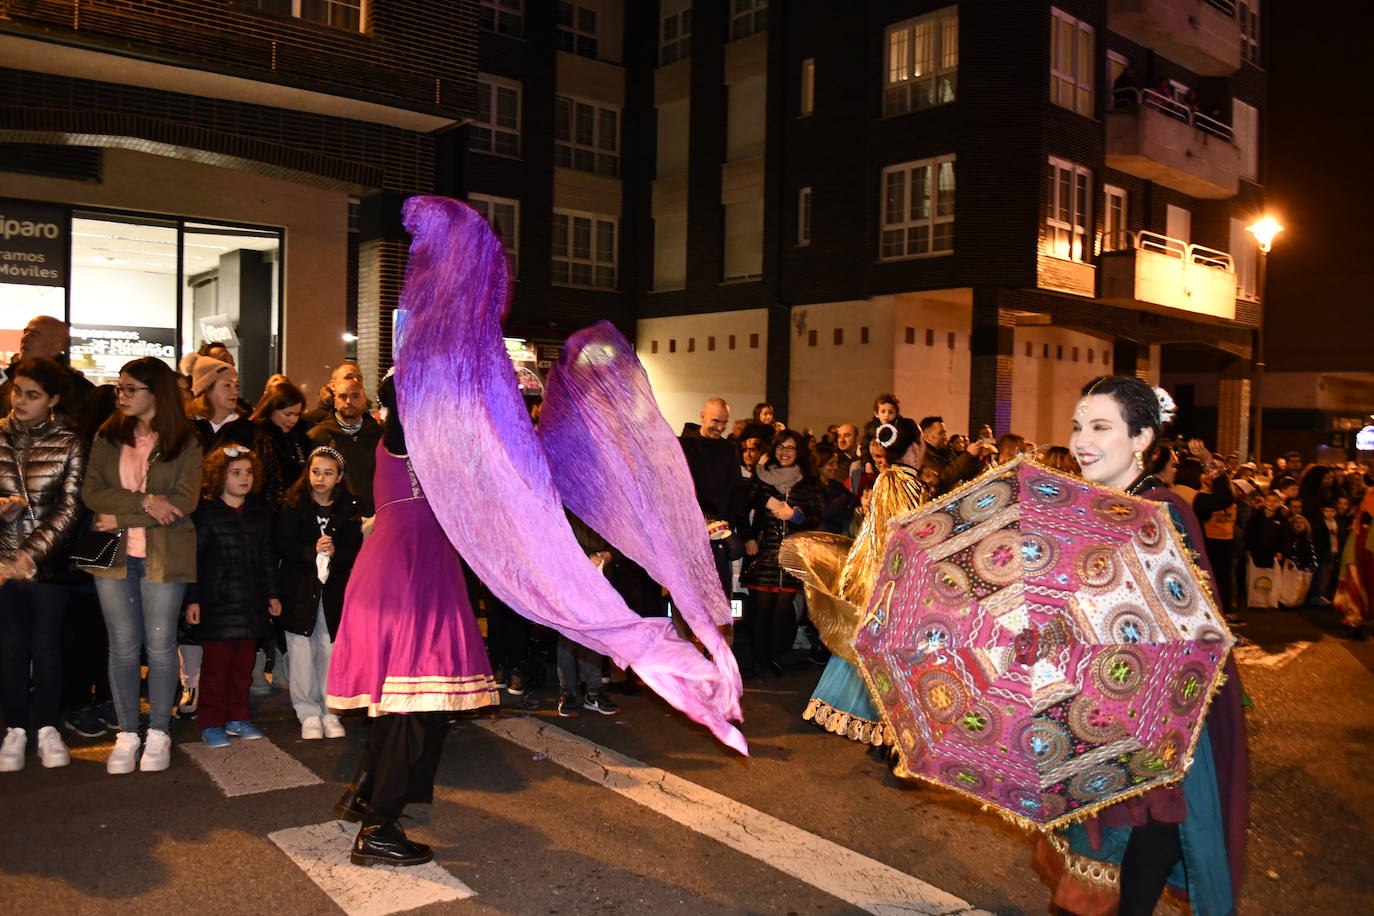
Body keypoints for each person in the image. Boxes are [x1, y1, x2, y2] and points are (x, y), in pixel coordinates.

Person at [1040, 376, 1247, 916]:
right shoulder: (1100, 506)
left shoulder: (1161, 511)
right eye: (1078, 426)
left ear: (1141, 438)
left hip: (1149, 745)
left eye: (1101, 427)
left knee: (1121, 888)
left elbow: (1182, 641)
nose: (1083, 440)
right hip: (1100, 728)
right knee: (1098, 888)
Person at [327, 374, 499, 867]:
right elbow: (406, 403)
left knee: (405, 704)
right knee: (418, 709)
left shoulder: (421, 445)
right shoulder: (401, 439)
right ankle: (379, 827)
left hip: (410, 574)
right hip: (408, 581)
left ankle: (365, 793)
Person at [82, 357, 201, 775]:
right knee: (123, 645)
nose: (122, 395)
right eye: (120, 388)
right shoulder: (108, 434)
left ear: (157, 393)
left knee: (161, 644)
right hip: (113, 555)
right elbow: (93, 493)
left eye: (131, 388)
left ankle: (159, 731)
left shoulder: (184, 439)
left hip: (164, 554)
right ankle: (128, 731)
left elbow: (184, 503)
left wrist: (123, 515)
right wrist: (147, 502)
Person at [0, 358, 85, 772]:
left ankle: (47, 725)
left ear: (52, 399)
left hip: (47, 564)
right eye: (17, 390)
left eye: (32, 394)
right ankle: (15, 727)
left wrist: (30, 553)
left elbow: (70, 508)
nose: (21, 400)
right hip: (1, 562)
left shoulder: (70, 440)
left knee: (48, 645)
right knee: (11, 645)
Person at [183, 446, 280, 747]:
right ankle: (211, 722)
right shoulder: (205, 513)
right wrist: (193, 599)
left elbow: (267, 557)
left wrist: (272, 594)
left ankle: (238, 717)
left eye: (248, 472)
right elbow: (194, 559)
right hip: (217, 604)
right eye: (236, 472)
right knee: (216, 669)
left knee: (243, 667)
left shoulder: (258, 512)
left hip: (250, 603)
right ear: (218, 477)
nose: (244, 478)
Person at [275, 447, 361, 739]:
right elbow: (281, 545)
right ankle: (307, 711)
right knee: (300, 651)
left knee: (330, 649)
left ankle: (330, 710)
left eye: (328, 473)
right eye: (315, 471)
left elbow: (355, 550)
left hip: (334, 592)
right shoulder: (293, 504)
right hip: (299, 591)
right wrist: (308, 550)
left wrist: (337, 554)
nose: (320, 478)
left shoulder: (349, 507)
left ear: (339, 477)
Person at [739, 429, 824, 676]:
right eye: (780, 447)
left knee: (783, 613)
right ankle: (757, 660)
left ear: (799, 453)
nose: (784, 452)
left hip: (793, 556)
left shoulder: (807, 482)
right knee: (760, 611)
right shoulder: (762, 479)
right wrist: (748, 538)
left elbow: (816, 517)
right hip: (764, 554)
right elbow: (742, 510)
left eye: (790, 448)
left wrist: (795, 516)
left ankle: (774, 657)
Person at [308, 378, 383, 516]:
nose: (349, 401)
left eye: (355, 396)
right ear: (335, 401)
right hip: (333, 518)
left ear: (364, 400)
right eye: (343, 396)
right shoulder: (318, 436)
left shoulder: (379, 436)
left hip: (374, 517)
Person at [250, 380, 310, 513]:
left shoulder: (300, 438)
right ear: (271, 409)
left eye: (297, 415)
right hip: (267, 512)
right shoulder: (257, 438)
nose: (293, 420)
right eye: (288, 414)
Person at [186, 357, 254, 453]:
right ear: (206, 390)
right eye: (227, 385)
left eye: (236, 386)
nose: (235, 392)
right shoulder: (187, 429)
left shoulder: (250, 431)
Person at [301, 363, 364, 431]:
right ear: (333, 385)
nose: (355, 381)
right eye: (348, 378)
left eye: (359, 379)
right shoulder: (312, 421)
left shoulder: (368, 421)